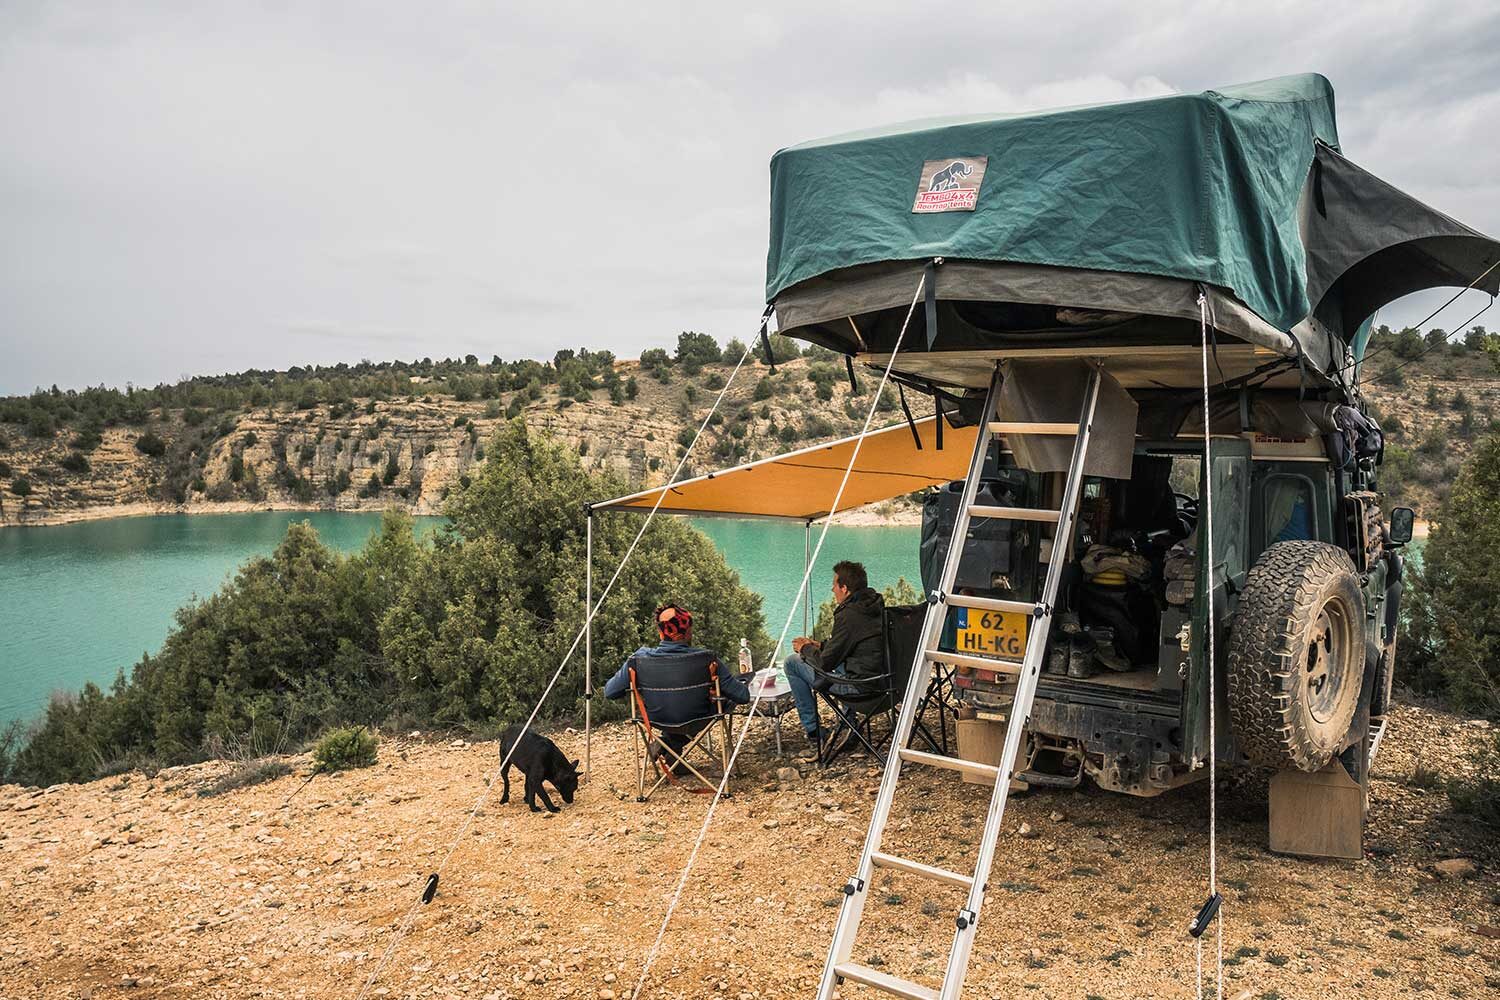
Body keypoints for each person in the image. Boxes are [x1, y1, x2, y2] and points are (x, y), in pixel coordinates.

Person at [604, 603, 750, 761]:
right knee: (722, 700)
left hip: (657, 720)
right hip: (699, 718)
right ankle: (671, 744)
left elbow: (611, 692)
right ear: (689, 631)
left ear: (660, 632)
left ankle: (669, 745)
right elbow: (742, 696)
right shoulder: (707, 659)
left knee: (675, 707)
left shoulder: (638, 659)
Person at [784, 560, 885, 753]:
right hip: (887, 684)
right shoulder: (875, 606)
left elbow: (824, 663)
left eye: (834, 585)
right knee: (838, 662)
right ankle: (848, 724)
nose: (832, 589)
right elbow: (855, 645)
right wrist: (821, 645)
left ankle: (814, 730)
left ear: (844, 588)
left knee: (791, 663)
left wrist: (805, 648)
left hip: (860, 689)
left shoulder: (849, 615)